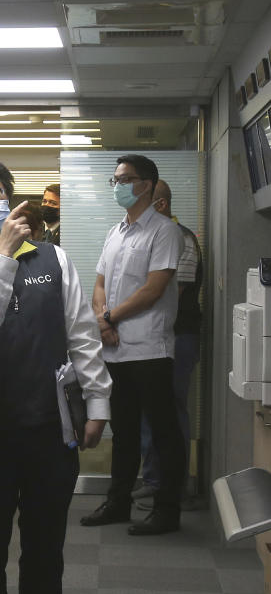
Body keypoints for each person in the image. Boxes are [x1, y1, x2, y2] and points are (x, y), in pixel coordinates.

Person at [0, 159, 111, 594]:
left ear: (12, 198)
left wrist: (97, 403)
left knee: (44, 551)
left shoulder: (52, 258)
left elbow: (81, 333)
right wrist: (0, 256)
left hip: (47, 430)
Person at [80, 154, 185, 535]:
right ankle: (118, 501)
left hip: (150, 349)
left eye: (126, 179)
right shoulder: (114, 232)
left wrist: (109, 319)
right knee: (122, 430)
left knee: (162, 431)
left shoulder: (164, 231)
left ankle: (167, 510)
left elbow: (154, 290)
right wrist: (102, 321)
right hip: (115, 348)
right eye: (115, 179)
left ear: (147, 184)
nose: (118, 186)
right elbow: (100, 285)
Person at [134, 179, 203, 504]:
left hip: (177, 338)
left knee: (171, 410)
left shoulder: (181, 239)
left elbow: (170, 295)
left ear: (160, 204)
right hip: (153, 337)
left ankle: (174, 485)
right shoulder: (152, 238)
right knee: (150, 409)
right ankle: (153, 478)